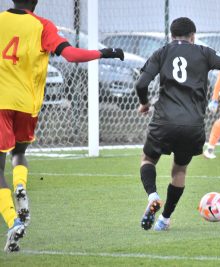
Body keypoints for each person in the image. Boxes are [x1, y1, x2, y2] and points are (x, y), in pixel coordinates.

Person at [0, 0, 124, 252]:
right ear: (36, 2)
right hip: (27, 104)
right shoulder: (43, 25)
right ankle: (20, 185)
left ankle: (13, 220)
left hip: (1, 102)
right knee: (20, 153)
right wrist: (105, 52)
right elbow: (71, 55)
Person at [135, 17, 220, 231]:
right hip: (193, 125)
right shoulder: (203, 52)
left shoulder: (162, 52)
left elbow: (141, 83)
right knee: (180, 170)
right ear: (193, 36)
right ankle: (164, 220)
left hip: (164, 121)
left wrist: (144, 103)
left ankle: (152, 196)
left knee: (148, 159)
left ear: (171, 35)